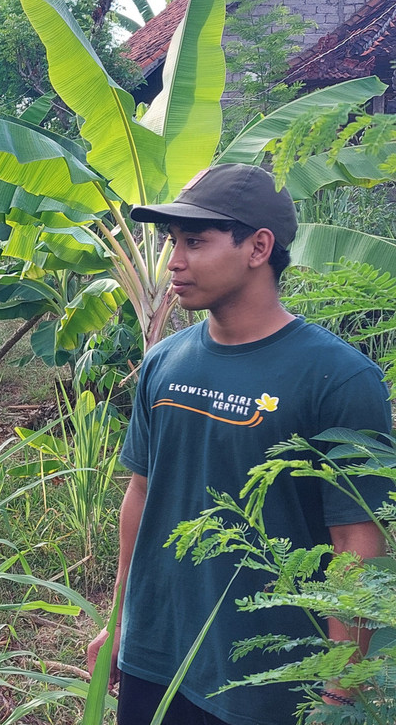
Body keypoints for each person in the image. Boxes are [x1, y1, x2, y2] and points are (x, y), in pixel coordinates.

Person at [86, 163, 392, 725]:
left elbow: (356, 538)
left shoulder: (338, 378)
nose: (174, 261)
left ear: (258, 247)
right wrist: (121, 618)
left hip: (267, 676)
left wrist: (340, 688)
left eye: (195, 242)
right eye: (173, 242)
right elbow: (141, 494)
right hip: (156, 653)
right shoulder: (164, 360)